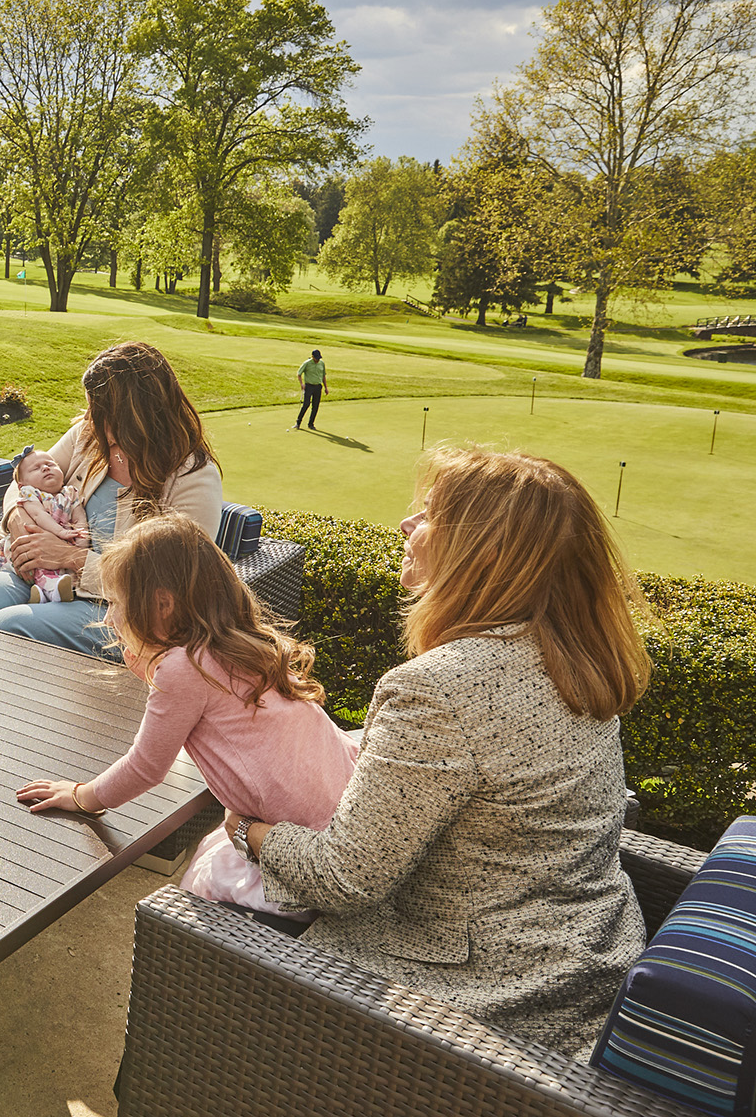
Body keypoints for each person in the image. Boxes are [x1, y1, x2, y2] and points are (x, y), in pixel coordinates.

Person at [236, 449, 651, 1054]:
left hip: (486, 991)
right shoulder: (578, 656)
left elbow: (345, 879)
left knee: (213, 901)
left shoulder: (437, 689)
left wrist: (250, 829)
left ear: (479, 551)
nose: (406, 525)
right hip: (594, 952)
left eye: (427, 514)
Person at [15, 512, 358, 926]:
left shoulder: (183, 666)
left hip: (296, 853)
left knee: (200, 881)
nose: (108, 618)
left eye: (116, 604)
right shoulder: (239, 643)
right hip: (337, 817)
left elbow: (146, 767)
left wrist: (82, 796)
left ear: (163, 604)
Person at [0, 342, 222, 657]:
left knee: (11, 625)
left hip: (126, 610)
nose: (89, 417)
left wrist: (70, 557)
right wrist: (19, 521)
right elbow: (22, 479)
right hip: (54, 579)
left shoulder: (192, 476)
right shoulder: (88, 436)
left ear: (135, 415)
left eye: (99, 411)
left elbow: (172, 585)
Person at [0, 446, 87, 604]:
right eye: (36, 468)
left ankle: (44, 594)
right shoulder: (31, 493)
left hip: (61, 546)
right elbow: (39, 515)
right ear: (21, 485)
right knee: (39, 559)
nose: (45, 468)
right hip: (35, 542)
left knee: (65, 570)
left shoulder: (70, 493)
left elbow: (79, 519)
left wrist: (81, 543)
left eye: (51, 465)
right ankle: (52, 591)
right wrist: (60, 532)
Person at [293, 349, 328, 430]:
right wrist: (302, 384)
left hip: (318, 387)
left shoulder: (321, 363)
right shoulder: (307, 363)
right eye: (316, 358)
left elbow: (323, 376)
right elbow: (299, 374)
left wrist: (326, 387)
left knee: (315, 406)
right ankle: (298, 423)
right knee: (306, 404)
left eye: (319, 358)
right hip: (309, 386)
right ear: (312, 357)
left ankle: (311, 424)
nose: (317, 360)